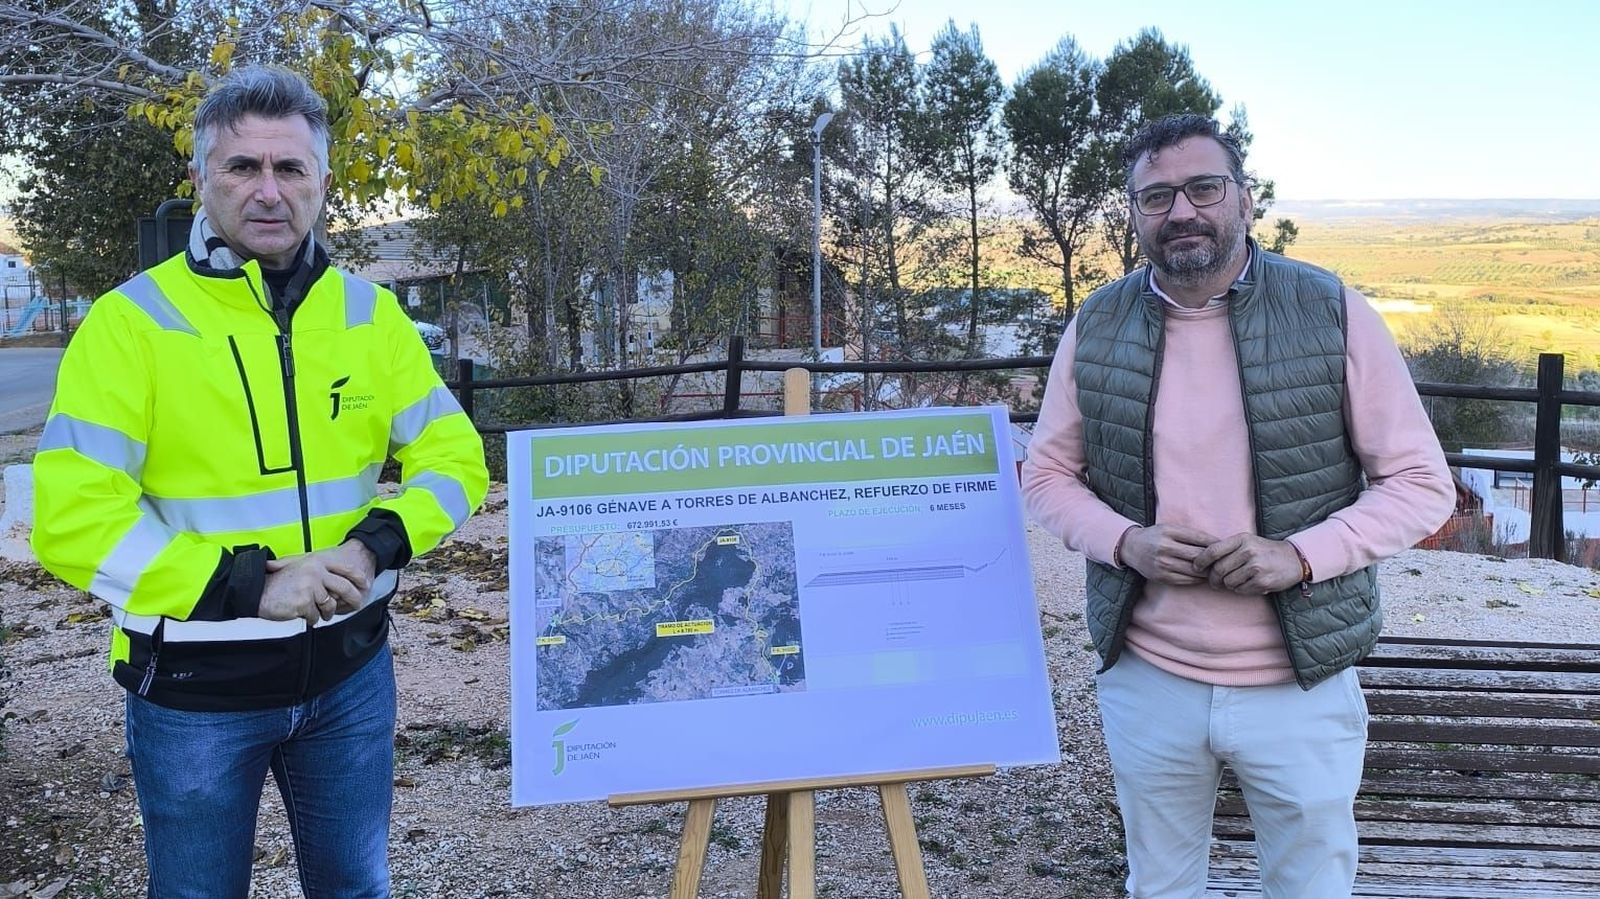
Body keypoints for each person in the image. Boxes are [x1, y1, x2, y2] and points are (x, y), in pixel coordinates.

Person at [31, 66, 488, 898]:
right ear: (203, 178)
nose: (267, 190)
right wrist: (249, 588)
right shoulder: (131, 323)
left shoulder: (369, 316)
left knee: (356, 886)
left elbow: (457, 460)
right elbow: (70, 519)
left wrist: (379, 540)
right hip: (195, 696)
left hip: (351, 678)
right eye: (242, 167)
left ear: (321, 183)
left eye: (290, 168)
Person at [1021, 113, 1454, 899]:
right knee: (1159, 885)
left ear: (1245, 200)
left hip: (1302, 682)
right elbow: (1047, 476)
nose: (1181, 211)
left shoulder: (1330, 311)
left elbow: (1423, 482)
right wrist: (1125, 543)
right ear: (1134, 214)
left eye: (1202, 187)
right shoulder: (1097, 323)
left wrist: (1300, 556)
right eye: (1155, 197)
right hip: (1149, 677)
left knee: (1310, 886)